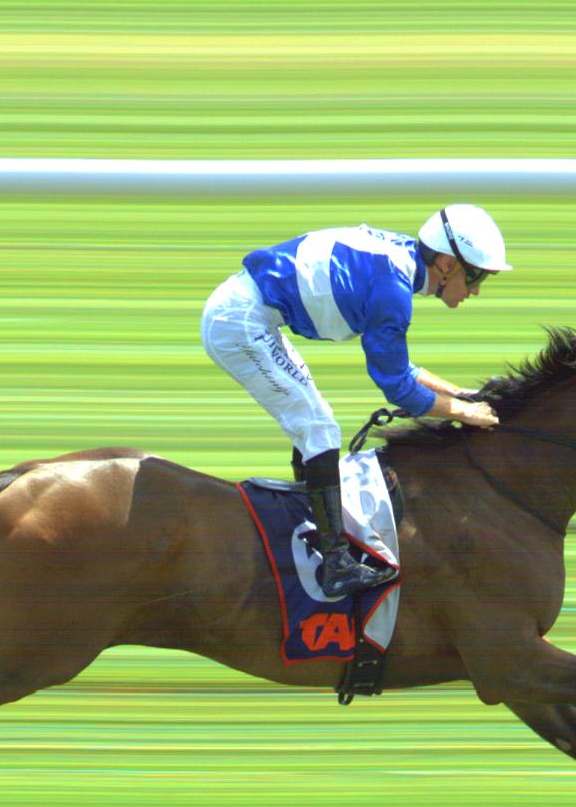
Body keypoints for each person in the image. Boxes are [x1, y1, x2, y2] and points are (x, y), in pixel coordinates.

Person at [202, 205, 523, 598]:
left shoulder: (400, 267)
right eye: (475, 276)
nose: (476, 290)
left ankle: (313, 530)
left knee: (313, 424)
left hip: (247, 313)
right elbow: (398, 387)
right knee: (319, 427)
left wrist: (460, 394)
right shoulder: (392, 289)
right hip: (239, 323)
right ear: (445, 264)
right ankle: (335, 563)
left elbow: (402, 369)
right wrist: (465, 412)